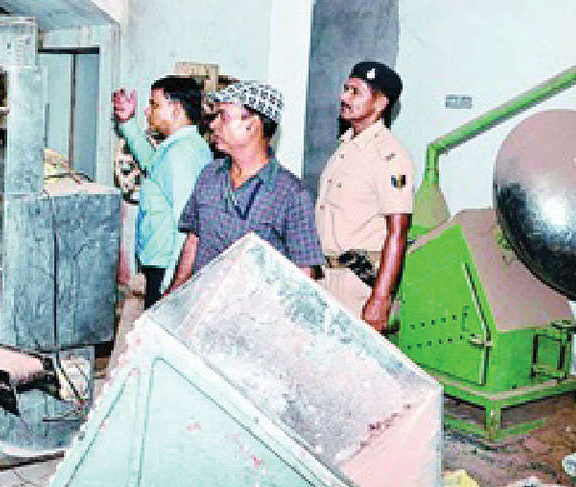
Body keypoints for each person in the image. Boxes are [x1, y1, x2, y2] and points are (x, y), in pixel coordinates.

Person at [168, 81, 324, 292]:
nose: (213, 125)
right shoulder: (209, 175)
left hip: (254, 310)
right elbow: (193, 240)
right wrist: (175, 291)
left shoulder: (291, 194)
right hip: (203, 303)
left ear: (253, 124)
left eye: (223, 116)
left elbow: (304, 273)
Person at [315, 61, 413, 333]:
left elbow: (398, 232)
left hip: (356, 284)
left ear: (380, 102)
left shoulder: (389, 156)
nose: (344, 97)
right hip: (325, 276)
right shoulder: (345, 148)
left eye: (355, 92)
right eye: (345, 89)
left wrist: (380, 299)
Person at [112, 76, 212, 308]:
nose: (148, 111)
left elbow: (185, 223)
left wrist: (173, 283)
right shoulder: (181, 146)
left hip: (167, 268)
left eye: (155, 105)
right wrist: (128, 123)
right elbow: (152, 165)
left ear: (176, 109)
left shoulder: (181, 154)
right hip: (162, 264)